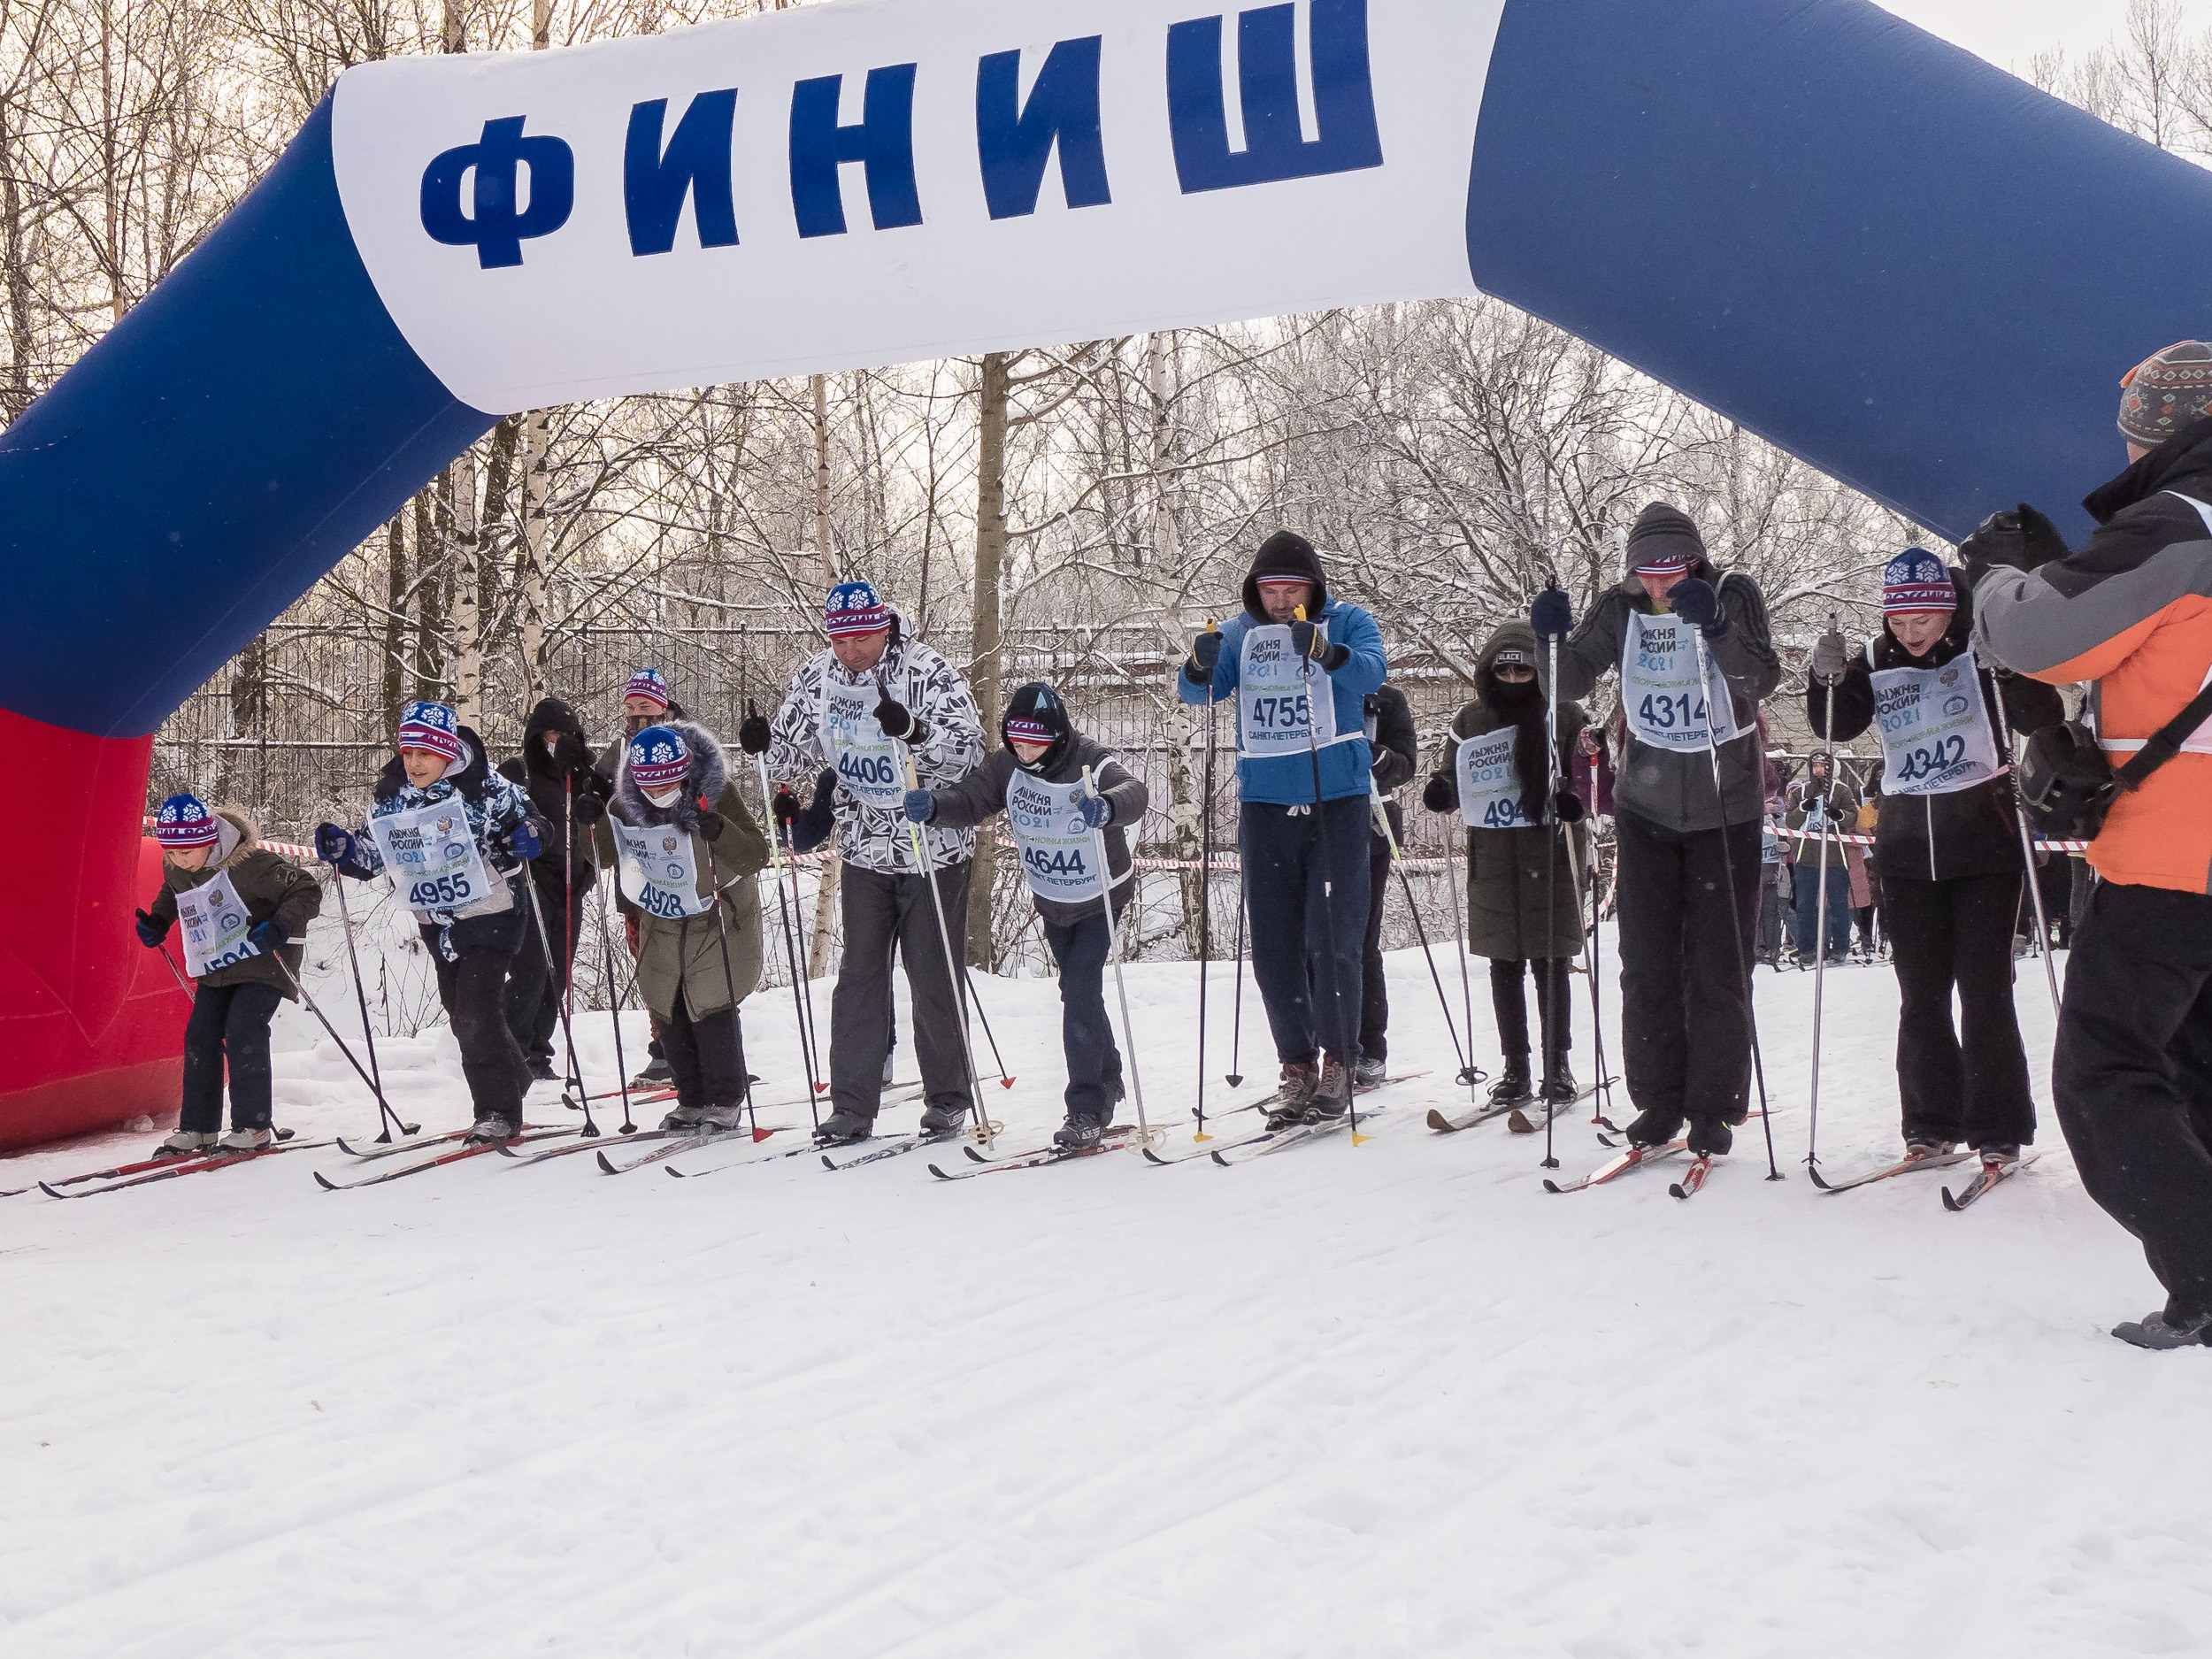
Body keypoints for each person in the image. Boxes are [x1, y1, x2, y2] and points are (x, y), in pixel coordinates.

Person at [1969, 338, 2212, 1348]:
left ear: (2154, 429)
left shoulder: (2178, 526)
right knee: (2194, 1064)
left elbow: (2035, 637)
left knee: (2103, 1075)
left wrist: (1997, 575)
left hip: (2176, 859)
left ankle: (2204, 1270)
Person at [1807, 549, 2062, 1171]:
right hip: (1907, 851)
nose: (1911, 633)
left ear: (1948, 612)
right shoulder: (1875, 659)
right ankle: (1929, 1122)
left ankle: (1998, 1126)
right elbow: (1834, 726)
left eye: (1923, 620)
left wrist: (2012, 666)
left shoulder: (1977, 650)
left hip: (1984, 846)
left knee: (1985, 989)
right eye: (1899, 621)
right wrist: (1825, 677)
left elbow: (2042, 714)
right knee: (1919, 994)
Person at [1541, 501, 1782, 1158]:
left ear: (1696, 561)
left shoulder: (1732, 592)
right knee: (1644, 963)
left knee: (1718, 965)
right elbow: (1567, 679)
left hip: (1724, 806)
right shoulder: (1621, 607)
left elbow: (1761, 676)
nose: (1659, 586)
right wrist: (1550, 642)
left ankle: (1715, 1106)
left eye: (1671, 572)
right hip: (1645, 807)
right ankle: (1658, 1098)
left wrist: (1719, 626)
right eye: (1647, 573)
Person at [756, 580, 987, 1143]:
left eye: (861, 637)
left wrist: (915, 731)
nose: (851, 649)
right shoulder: (818, 676)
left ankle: (948, 1098)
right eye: (840, 639)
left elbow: (971, 750)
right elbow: (792, 748)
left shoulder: (929, 671)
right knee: (858, 977)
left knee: (933, 974)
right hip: (862, 847)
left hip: (931, 847)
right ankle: (852, 1106)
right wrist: (763, 742)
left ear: (884, 627)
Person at [1176, 531, 1387, 1125]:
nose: (1280, 601)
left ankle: (1340, 1059)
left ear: (1313, 588)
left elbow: (1374, 672)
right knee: (1273, 946)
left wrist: (1326, 652)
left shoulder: (1346, 622)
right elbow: (1197, 690)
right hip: (1265, 804)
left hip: (1335, 802)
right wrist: (1199, 662)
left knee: (1332, 938)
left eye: (1292, 588)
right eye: (1270, 590)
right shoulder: (1242, 632)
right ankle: (1296, 1066)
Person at [906, 682, 1148, 1147]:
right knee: (1077, 990)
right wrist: (936, 806)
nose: (1024, 747)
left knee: (1079, 990)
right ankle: (1109, 1074)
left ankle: (1085, 1108)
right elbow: (974, 798)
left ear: (1056, 735)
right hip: (1052, 897)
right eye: (1015, 737)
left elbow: (1132, 791)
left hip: (1100, 897)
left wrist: (1109, 805)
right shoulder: (1008, 766)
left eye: (1035, 738)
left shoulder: (1088, 761)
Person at [315, 701, 543, 1143]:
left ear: (447, 750)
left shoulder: (486, 788)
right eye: (408, 753)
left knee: (477, 1011)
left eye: (426, 753)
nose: (415, 763)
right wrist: (343, 849)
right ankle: (513, 1077)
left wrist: (529, 837)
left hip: (492, 911)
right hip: (436, 921)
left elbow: (536, 824)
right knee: (461, 1015)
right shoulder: (392, 798)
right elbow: (372, 855)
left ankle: (497, 1111)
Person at [1421, 624, 1588, 1108]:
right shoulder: (1472, 718)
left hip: (1551, 851)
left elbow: (1589, 772)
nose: (1514, 677)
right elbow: (1457, 773)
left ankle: (1558, 1065)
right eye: (1505, 668)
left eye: (1524, 668)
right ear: (1489, 671)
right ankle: (1515, 1066)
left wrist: (1575, 797)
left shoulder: (1565, 714)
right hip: (1494, 856)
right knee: (1504, 962)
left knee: (1552, 961)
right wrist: (1442, 791)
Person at [593, 721, 769, 1131]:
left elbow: (755, 853)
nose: (658, 794)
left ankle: (724, 1099)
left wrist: (721, 830)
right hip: (664, 912)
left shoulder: (718, 791)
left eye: (667, 783)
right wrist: (592, 819)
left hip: (719, 910)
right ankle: (690, 1097)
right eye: (649, 786)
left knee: (709, 1004)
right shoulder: (626, 802)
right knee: (667, 1004)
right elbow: (601, 854)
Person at [134, 795, 321, 1157]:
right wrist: (158, 921)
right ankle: (198, 1129)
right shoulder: (177, 866)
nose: (179, 860)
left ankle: (253, 1126)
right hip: (217, 961)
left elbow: (307, 889)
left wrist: (280, 925)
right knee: (200, 1035)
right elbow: (175, 893)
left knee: (243, 1028)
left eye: (187, 852)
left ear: (209, 840)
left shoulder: (252, 864)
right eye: (171, 852)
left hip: (264, 958)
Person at [499, 697, 613, 1083]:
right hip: (530, 883)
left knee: (558, 974)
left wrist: (588, 871)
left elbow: (603, 821)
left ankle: (538, 1052)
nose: (559, 740)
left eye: (567, 733)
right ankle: (510, 1051)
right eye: (552, 733)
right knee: (530, 968)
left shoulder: (584, 775)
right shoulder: (520, 772)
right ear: (537, 735)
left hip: (572, 886)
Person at [603, 668, 685, 1087]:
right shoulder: (617, 752)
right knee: (650, 963)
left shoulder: (687, 745)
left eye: (646, 708)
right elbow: (596, 796)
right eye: (631, 708)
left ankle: (704, 1046)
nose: (637, 717)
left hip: (683, 876)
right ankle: (663, 1048)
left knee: (693, 965)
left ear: (664, 708)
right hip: (634, 882)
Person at [1357, 682, 1420, 1087]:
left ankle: (1368, 1049)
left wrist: (1375, 757)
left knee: (1360, 941)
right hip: (1309, 818)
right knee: (1310, 942)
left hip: (1372, 818)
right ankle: (1315, 1053)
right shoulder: (1306, 687)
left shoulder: (1383, 698)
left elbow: (1406, 764)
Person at [1782, 753, 1858, 968]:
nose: (1818, 769)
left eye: (1823, 766)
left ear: (1830, 768)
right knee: (1805, 905)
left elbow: (1852, 818)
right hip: (1807, 857)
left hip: (1835, 857)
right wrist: (1802, 809)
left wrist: (1838, 814)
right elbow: (1791, 821)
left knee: (1838, 904)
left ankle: (1840, 947)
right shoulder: (1801, 792)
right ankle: (1807, 948)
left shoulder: (1842, 790)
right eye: (1814, 765)